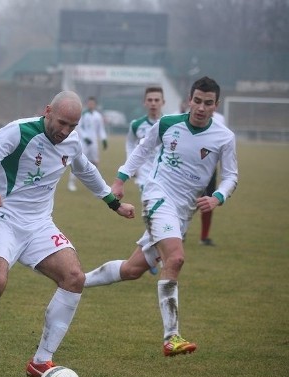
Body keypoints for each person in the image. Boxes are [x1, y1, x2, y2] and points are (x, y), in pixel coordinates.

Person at [0, 91, 135, 377]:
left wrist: (113, 203)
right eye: (62, 123)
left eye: (73, 126)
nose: (65, 131)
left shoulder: (73, 141)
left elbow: (85, 170)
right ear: (48, 111)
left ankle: (41, 359)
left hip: (40, 224)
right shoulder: (18, 131)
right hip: (3, 217)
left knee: (74, 277)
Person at [83, 76, 239, 357]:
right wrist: (119, 181)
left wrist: (218, 197)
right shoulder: (168, 124)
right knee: (175, 258)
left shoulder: (224, 137)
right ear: (189, 99)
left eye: (208, 103)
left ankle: (77, 281)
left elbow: (230, 176)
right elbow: (141, 150)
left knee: (133, 270)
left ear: (216, 105)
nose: (202, 108)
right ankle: (172, 337)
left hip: (183, 211)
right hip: (157, 198)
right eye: (197, 101)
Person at [125, 87, 165, 193]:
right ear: (144, 103)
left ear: (163, 102)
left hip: (165, 172)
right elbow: (130, 143)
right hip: (144, 172)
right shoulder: (136, 125)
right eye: (150, 100)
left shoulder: (169, 124)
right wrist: (131, 165)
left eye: (156, 100)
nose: (153, 103)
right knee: (149, 202)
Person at [67, 96, 108, 191]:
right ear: (87, 104)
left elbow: (100, 129)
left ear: (95, 105)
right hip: (83, 143)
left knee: (95, 163)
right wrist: (85, 137)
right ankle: (71, 183)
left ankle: (96, 185)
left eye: (93, 103)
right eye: (89, 103)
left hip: (93, 143)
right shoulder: (83, 114)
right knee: (77, 162)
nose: (91, 105)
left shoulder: (98, 116)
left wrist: (104, 139)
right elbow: (78, 127)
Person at [199, 110, 225, 246]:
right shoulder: (191, 116)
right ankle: (181, 234)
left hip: (210, 169)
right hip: (191, 168)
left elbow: (221, 143)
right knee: (186, 202)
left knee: (208, 202)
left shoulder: (220, 120)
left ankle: (204, 237)